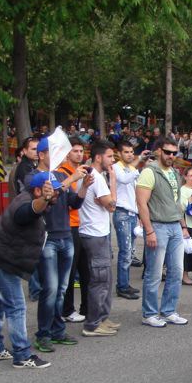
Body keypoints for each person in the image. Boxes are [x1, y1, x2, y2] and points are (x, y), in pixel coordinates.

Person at [0, 173, 56, 368]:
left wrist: (72, 183)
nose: (55, 193)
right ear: (38, 191)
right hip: (0, 262)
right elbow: (28, 212)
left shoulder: (35, 197)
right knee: (16, 306)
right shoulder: (25, 203)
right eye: (50, 190)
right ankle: (22, 355)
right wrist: (45, 199)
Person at [26, 140, 92, 353]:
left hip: (66, 235)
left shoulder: (62, 176)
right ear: (43, 155)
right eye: (53, 152)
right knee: (50, 288)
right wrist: (73, 178)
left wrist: (83, 186)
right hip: (47, 238)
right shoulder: (33, 176)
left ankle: (57, 330)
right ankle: (43, 334)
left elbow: (74, 203)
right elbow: (47, 198)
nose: (59, 155)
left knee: (62, 289)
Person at [136, 138, 189, 328]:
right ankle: (149, 313)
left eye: (174, 153)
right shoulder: (149, 172)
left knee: (176, 271)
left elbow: (176, 203)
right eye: (167, 152)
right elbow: (141, 204)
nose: (171, 156)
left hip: (175, 225)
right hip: (157, 226)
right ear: (158, 151)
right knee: (154, 273)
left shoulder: (174, 173)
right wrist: (149, 230)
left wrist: (183, 225)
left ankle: (168, 311)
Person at [79, 139, 120, 336]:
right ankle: (93, 323)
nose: (112, 160)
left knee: (105, 278)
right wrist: (113, 180)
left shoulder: (90, 174)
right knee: (100, 280)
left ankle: (102, 317)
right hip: (95, 234)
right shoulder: (97, 177)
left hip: (97, 232)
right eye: (110, 156)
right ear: (98, 157)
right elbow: (112, 205)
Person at [58, 138, 90, 324]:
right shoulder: (63, 173)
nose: (79, 154)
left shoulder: (84, 171)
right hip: (70, 225)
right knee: (69, 271)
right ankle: (67, 309)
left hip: (84, 225)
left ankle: (86, 307)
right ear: (67, 153)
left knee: (85, 270)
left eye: (81, 150)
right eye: (75, 151)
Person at [113, 141, 141, 300]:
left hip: (131, 213)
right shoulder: (117, 167)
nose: (130, 154)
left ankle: (125, 283)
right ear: (119, 153)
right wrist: (137, 170)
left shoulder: (131, 168)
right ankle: (122, 286)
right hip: (122, 212)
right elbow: (123, 179)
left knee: (129, 251)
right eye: (126, 152)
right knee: (124, 251)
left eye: (132, 152)